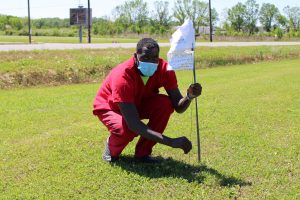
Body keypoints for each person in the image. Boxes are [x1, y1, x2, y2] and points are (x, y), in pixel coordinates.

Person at [93, 38, 202, 163]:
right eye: (145, 58)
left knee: (165, 104)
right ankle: (111, 150)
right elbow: (133, 124)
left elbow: (178, 106)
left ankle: (143, 154)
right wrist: (171, 142)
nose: (150, 62)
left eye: (154, 58)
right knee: (126, 130)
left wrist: (189, 97)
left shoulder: (165, 69)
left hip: (137, 102)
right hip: (110, 106)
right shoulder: (123, 75)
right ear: (135, 56)